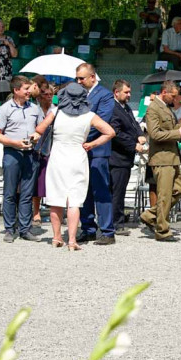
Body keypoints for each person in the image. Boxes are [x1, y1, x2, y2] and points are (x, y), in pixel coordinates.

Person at [36, 83, 115, 250]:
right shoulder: (90, 115)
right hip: (77, 156)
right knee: (74, 201)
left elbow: (40, 129)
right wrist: (92, 144)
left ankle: (57, 237)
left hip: (58, 157)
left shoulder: (55, 112)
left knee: (56, 199)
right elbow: (110, 132)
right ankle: (72, 240)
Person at [0, 76, 43, 243]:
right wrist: (14, 142)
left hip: (30, 154)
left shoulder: (35, 109)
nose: (29, 92)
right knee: (10, 192)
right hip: (12, 153)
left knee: (27, 193)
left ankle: (25, 229)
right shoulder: (5, 109)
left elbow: (41, 129)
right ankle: (9, 228)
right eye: (26, 89)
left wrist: (37, 135)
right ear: (16, 90)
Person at [75, 64, 117, 245]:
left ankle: (107, 231)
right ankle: (88, 228)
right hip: (82, 149)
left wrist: (78, 134)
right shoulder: (77, 94)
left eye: (81, 78)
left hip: (98, 149)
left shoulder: (105, 95)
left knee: (101, 190)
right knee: (84, 191)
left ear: (92, 77)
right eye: (77, 78)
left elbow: (102, 121)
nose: (78, 81)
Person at [141, 82, 181, 241]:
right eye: (172, 96)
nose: (175, 99)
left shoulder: (166, 108)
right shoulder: (154, 108)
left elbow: (173, 130)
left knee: (178, 190)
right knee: (165, 194)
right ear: (164, 92)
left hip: (172, 157)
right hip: (161, 158)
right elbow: (154, 134)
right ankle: (162, 230)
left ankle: (150, 215)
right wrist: (177, 132)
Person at [107, 79, 145, 235]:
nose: (129, 95)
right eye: (126, 92)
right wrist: (133, 145)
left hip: (124, 158)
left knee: (119, 191)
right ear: (117, 92)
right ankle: (116, 223)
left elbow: (133, 123)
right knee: (117, 192)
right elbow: (117, 133)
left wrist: (140, 134)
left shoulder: (125, 107)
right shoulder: (113, 108)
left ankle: (116, 219)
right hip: (117, 157)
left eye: (130, 92)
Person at [30, 76, 54, 226]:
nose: (49, 97)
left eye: (51, 94)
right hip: (36, 149)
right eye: (46, 94)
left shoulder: (56, 109)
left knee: (53, 182)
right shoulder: (34, 109)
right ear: (39, 96)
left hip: (53, 148)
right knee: (37, 182)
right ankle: (36, 211)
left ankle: (55, 210)